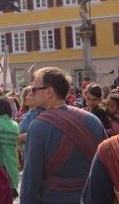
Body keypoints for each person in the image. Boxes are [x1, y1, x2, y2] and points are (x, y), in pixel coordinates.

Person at [20, 67, 107, 204]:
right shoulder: (92, 120)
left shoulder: (38, 125)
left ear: (49, 92)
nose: (31, 93)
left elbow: (31, 178)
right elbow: (106, 165)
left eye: (34, 89)